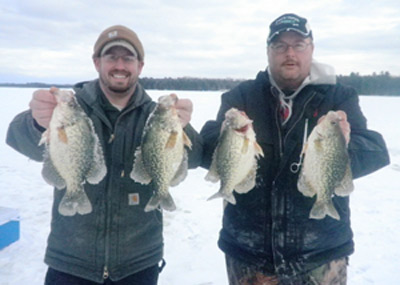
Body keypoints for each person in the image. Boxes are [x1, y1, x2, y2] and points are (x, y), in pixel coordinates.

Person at [201, 13, 390, 284]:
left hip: (320, 256)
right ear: (268, 51)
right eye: (279, 46)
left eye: (298, 44)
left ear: (311, 49)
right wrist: (227, 138)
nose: (289, 53)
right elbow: (207, 149)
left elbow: (376, 151)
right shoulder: (240, 97)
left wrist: (343, 146)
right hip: (249, 256)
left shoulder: (339, 97)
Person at [6, 25, 203, 284]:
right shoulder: (68, 109)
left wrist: (182, 128)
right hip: (71, 261)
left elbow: (197, 157)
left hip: (139, 263)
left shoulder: (156, 116)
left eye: (128, 58)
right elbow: (16, 137)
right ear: (97, 62)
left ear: (140, 66)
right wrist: (38, 123)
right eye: (111, 57)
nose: (119, 65)